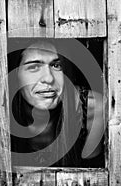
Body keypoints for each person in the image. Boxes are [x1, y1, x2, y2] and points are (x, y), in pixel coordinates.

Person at [8, 39, 105, 167]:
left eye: (56, 66)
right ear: (15, 76)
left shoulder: (90, 107)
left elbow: (91, 175)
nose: (48, 78)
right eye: (34, 67)